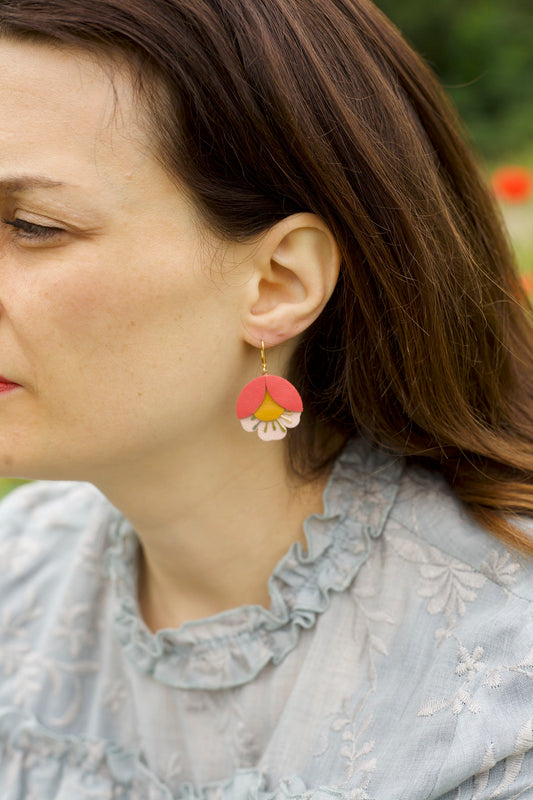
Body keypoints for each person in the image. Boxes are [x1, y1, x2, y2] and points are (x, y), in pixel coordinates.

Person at [0, 0, 532, 797]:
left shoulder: (496, 685)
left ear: (279, 283)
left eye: (33, 225)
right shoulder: (18, 571)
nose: (19, 239)